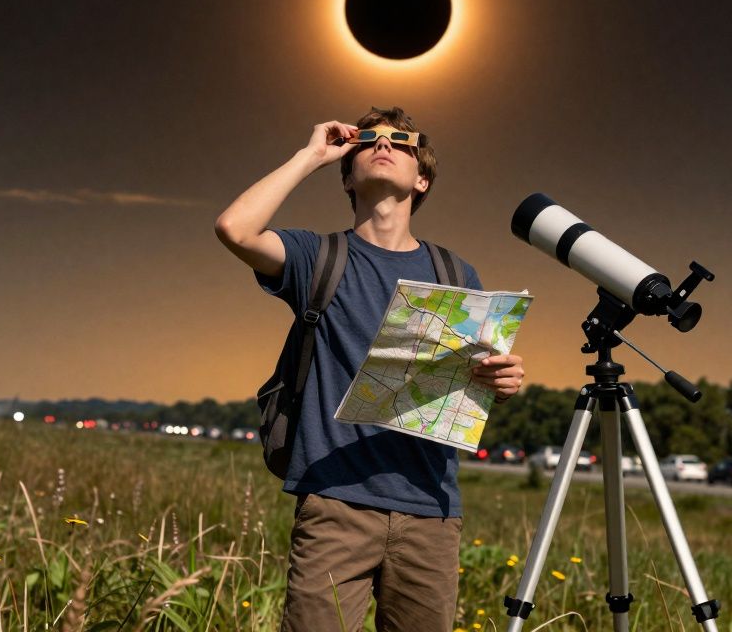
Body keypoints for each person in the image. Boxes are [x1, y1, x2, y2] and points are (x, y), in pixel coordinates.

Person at [214, 106, 525, 631]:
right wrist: (310, 155)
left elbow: (470, 384)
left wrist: (503, 380)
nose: (383, 144)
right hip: (334, 501)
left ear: (422, 179)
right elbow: (235, 229)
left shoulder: (455, 273)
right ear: (346, 177)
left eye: (401, 142)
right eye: (369, 140)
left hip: (431, 508)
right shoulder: (318, 257)